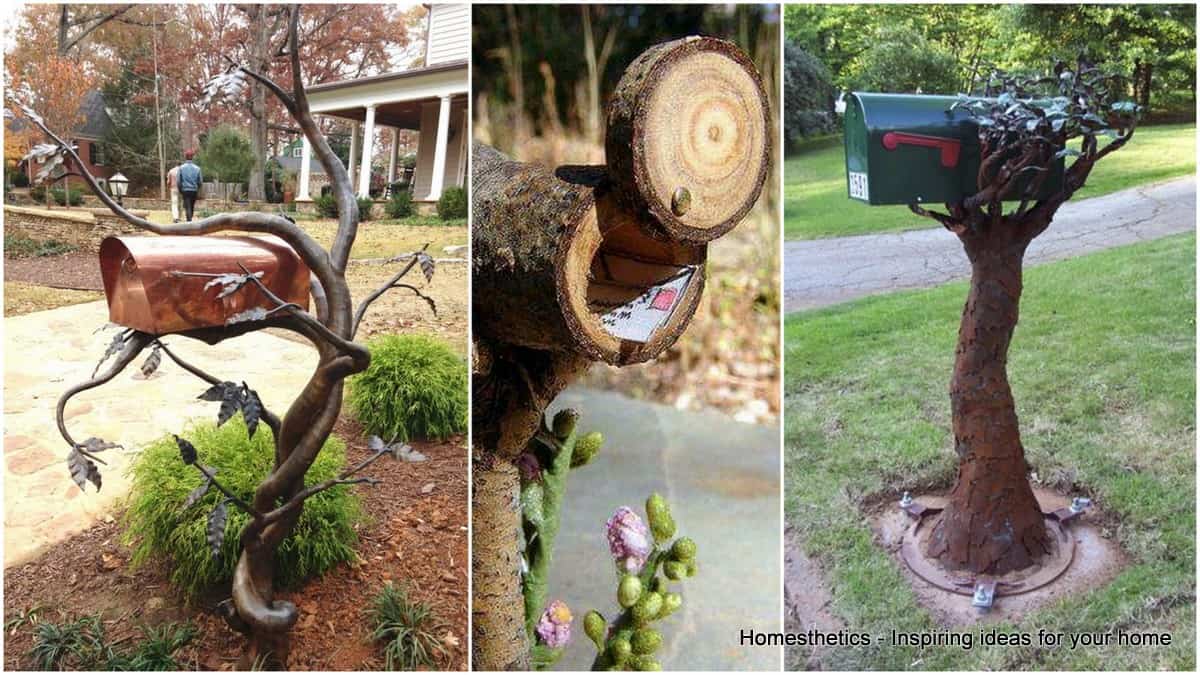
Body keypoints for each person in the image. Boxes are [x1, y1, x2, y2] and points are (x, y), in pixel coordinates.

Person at [177, 149, 202, 222]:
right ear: (192, 157)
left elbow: (178, 181)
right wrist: (197, 188)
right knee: (191, 206)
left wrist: (180, 189)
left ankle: (189, 221)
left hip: (185, 190)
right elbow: (200, 181)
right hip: (194, 190)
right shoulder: (198, 168)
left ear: (185, 157)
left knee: (187, 206)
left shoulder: (181, 168)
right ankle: (190, 220)